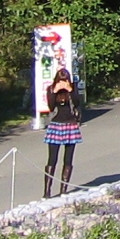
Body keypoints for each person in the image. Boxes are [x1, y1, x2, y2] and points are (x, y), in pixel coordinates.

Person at [43, 68, 82, 198]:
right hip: (56, 125)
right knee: (52, 159)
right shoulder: (51, 89)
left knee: (68, 159)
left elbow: (77, 103)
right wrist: (54, 91)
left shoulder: (73, 88)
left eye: (65, 80)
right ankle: (47, 191)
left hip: (70, 125)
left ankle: (63, 190)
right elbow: (51, 107)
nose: (63, 83)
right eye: (61, 81)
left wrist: (70, 90)